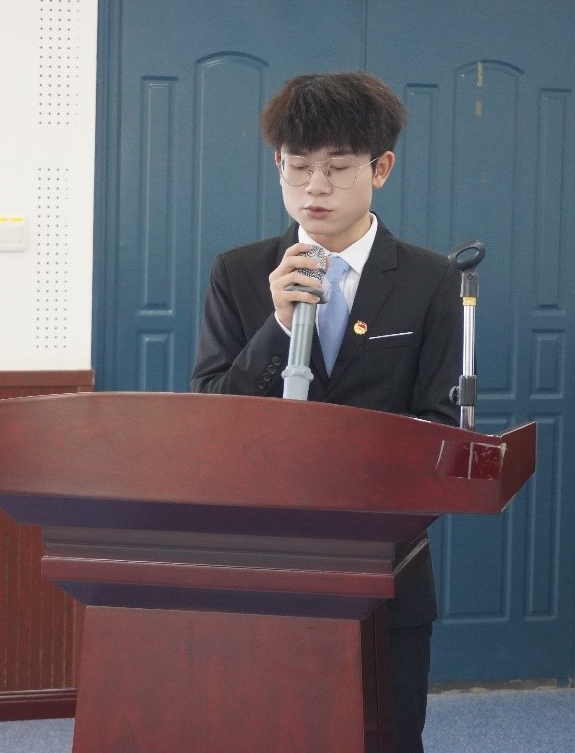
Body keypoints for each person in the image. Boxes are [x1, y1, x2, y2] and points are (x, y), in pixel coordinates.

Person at [190, 70, 463, 753]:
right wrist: (278, 325)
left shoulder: (431, 280)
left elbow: (437, 424)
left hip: (386, 564)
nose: (314, 187)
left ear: (381, 169)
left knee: (387, 736)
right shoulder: (239, 272)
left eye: (337, 168)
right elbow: (210, 416)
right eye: (297, 166)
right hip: (264, 561)